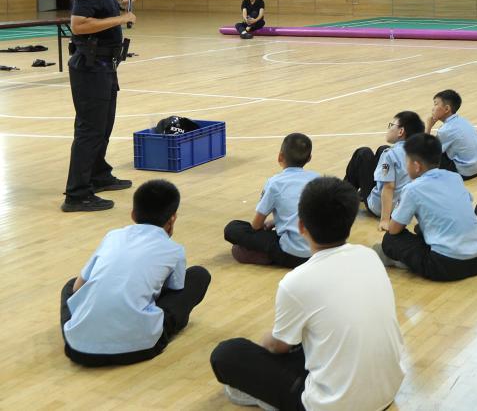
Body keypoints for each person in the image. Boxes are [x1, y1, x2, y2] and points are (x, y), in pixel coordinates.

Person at [210, 177, 404, 410]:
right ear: (350, 222)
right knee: (310, 336)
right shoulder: (369, 257)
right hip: (388, 390)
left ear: (301, 226)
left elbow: (277, 347)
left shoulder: (296, 282)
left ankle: (267, 396)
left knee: (227, 354)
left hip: (334, 406)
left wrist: (264, 349)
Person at [61, 180, 210, 366]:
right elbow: (175, 290)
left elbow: (77, 288)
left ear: (132, 214)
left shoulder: (113, 236)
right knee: (198, 275)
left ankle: (85, 326)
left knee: (70, 284)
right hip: (141, 348)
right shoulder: (174, 250)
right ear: (172, 219)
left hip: (78, 350)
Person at [62, 0, 138, 213]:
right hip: (90, 68)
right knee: (90, 130)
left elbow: (99, 14)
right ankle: (77, 194)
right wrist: (122, 17)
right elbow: (79, 25)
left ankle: (98, 174)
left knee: (103, 126)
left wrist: (120, 3)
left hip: (104, 66)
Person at [378, 134, 477, 281]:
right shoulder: (454, 177)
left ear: (417, 166)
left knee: (390, 240)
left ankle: (402, 262)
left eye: (407, 161)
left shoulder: (412, 189)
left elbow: (394, 229)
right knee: (422, 228)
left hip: (447, 265)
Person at [224, 133, 319, 268]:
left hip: (291, 253)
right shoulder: (318, 179)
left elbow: (256, 225)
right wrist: (275, 221)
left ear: (280, 156)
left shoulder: (275, 183)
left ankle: (265, 255)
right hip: (318, 250)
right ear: (309, 158)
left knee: (233, 228)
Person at [344, 111, 425, 230]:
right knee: (383, 148)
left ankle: (341, 197)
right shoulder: (418, 153)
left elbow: (388, 187)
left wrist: (385, 220)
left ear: (401, 131)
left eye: (391, 125)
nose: (389, 128)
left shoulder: (390, 155)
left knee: (363, 153)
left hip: (381, 208)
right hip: (402, 207)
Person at [427, 89, 477, 179]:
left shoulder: (446, 130)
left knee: (426, 157)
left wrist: (428, 127)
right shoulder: (462, 120)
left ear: (447, 109)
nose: (433, 108)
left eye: (436, 104)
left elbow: (425, 150)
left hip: (465, 173)